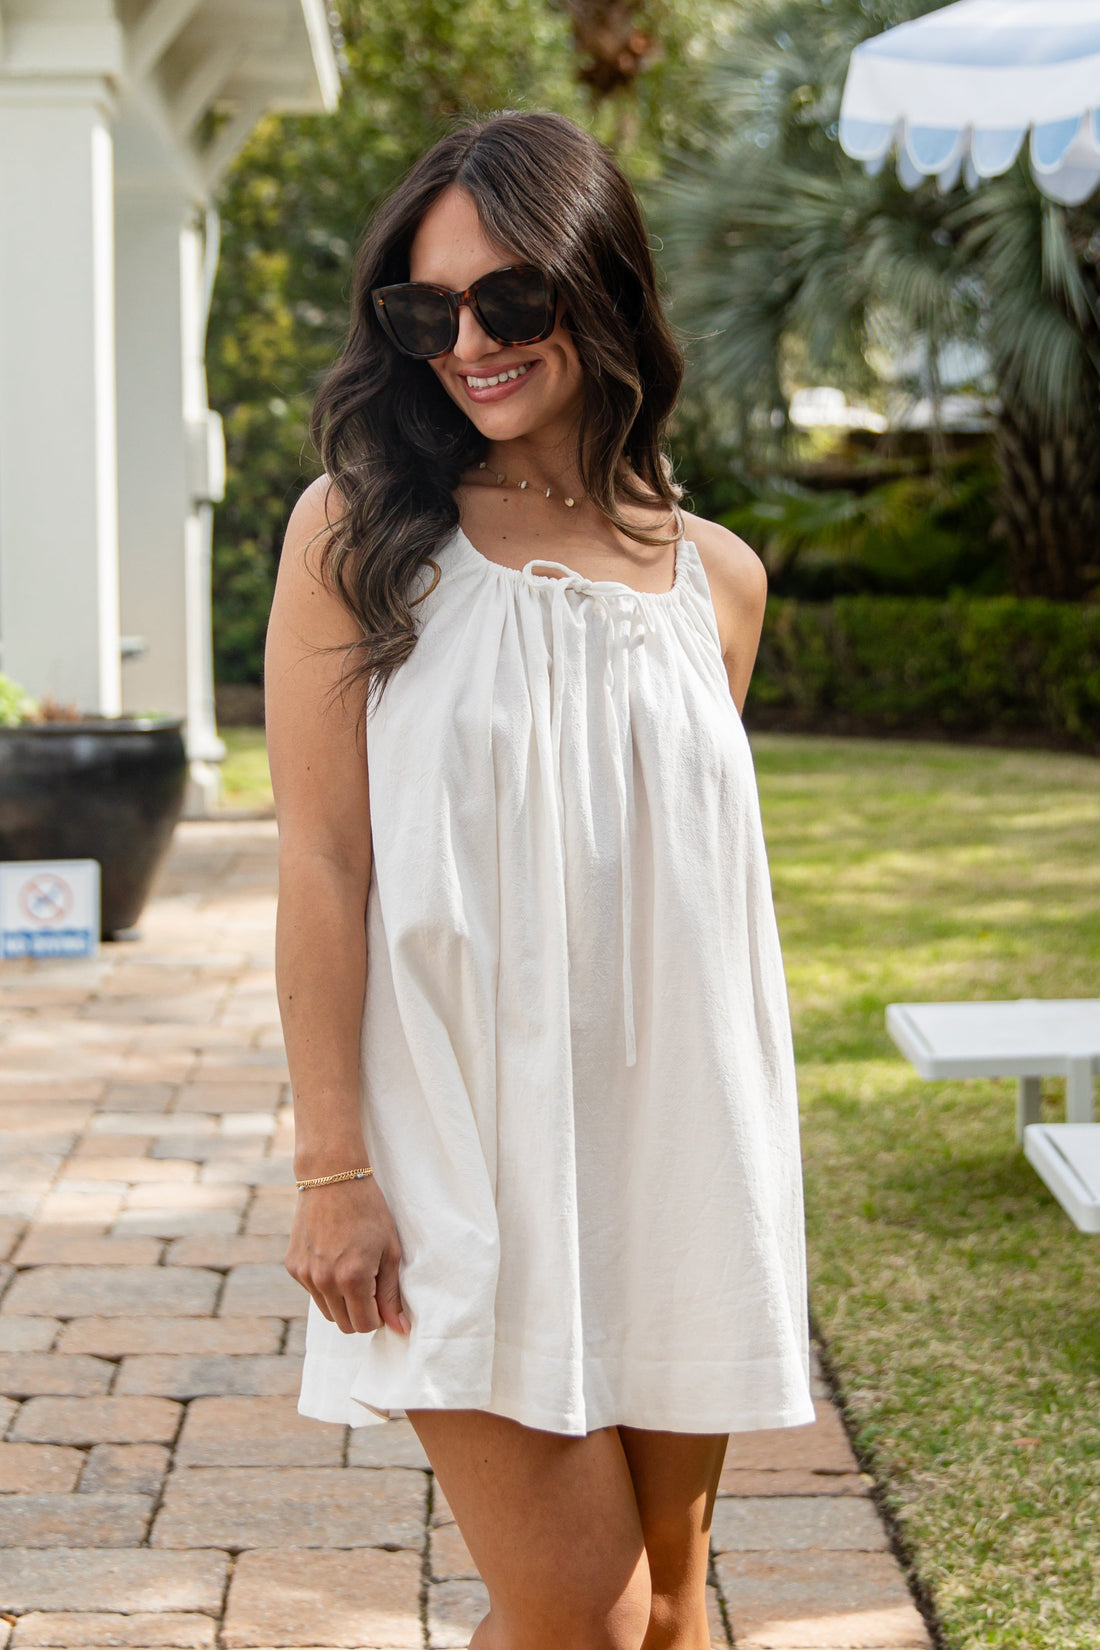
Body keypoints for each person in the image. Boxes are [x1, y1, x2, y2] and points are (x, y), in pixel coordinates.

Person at [265, 109, 814, 1650]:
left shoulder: (716, 576)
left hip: (673, 1141)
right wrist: (332, 1166)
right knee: (582, 1603)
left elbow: (663, 891)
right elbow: (320, 861)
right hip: (459, 1136)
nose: (468, 344)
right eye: (425, 311)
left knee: (675, 1609)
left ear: (603, 288)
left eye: (510, 299)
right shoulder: (358, 538)